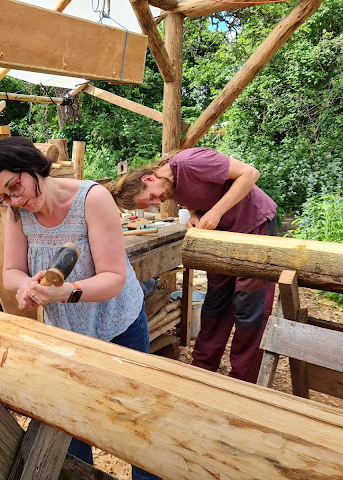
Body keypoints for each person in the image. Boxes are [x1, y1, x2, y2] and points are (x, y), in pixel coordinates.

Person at [0, 136, 162, 480]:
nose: (14, 200)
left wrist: (65, 292)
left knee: (135, 422)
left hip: (118, 326)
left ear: (33, 167)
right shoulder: (17, 213)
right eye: (3, 197)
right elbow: (10, 273)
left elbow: (113, 279)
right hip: (67, 335)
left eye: (14, 186)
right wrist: (28, 286)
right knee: (70, 421)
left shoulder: (92, 199)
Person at [107, 147, 277, 384]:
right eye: (153, 204)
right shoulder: (168, 184)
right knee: (216, 302)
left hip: (253, 226)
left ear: (148, 179)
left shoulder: (191, 162)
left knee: (250, 307)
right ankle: (202, 371)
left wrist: (216, 213)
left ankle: (243, 381)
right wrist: (195, 214)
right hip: (221, 234)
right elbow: (194, 197)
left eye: (154, 197)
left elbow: (250, 173)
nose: (159, 202)